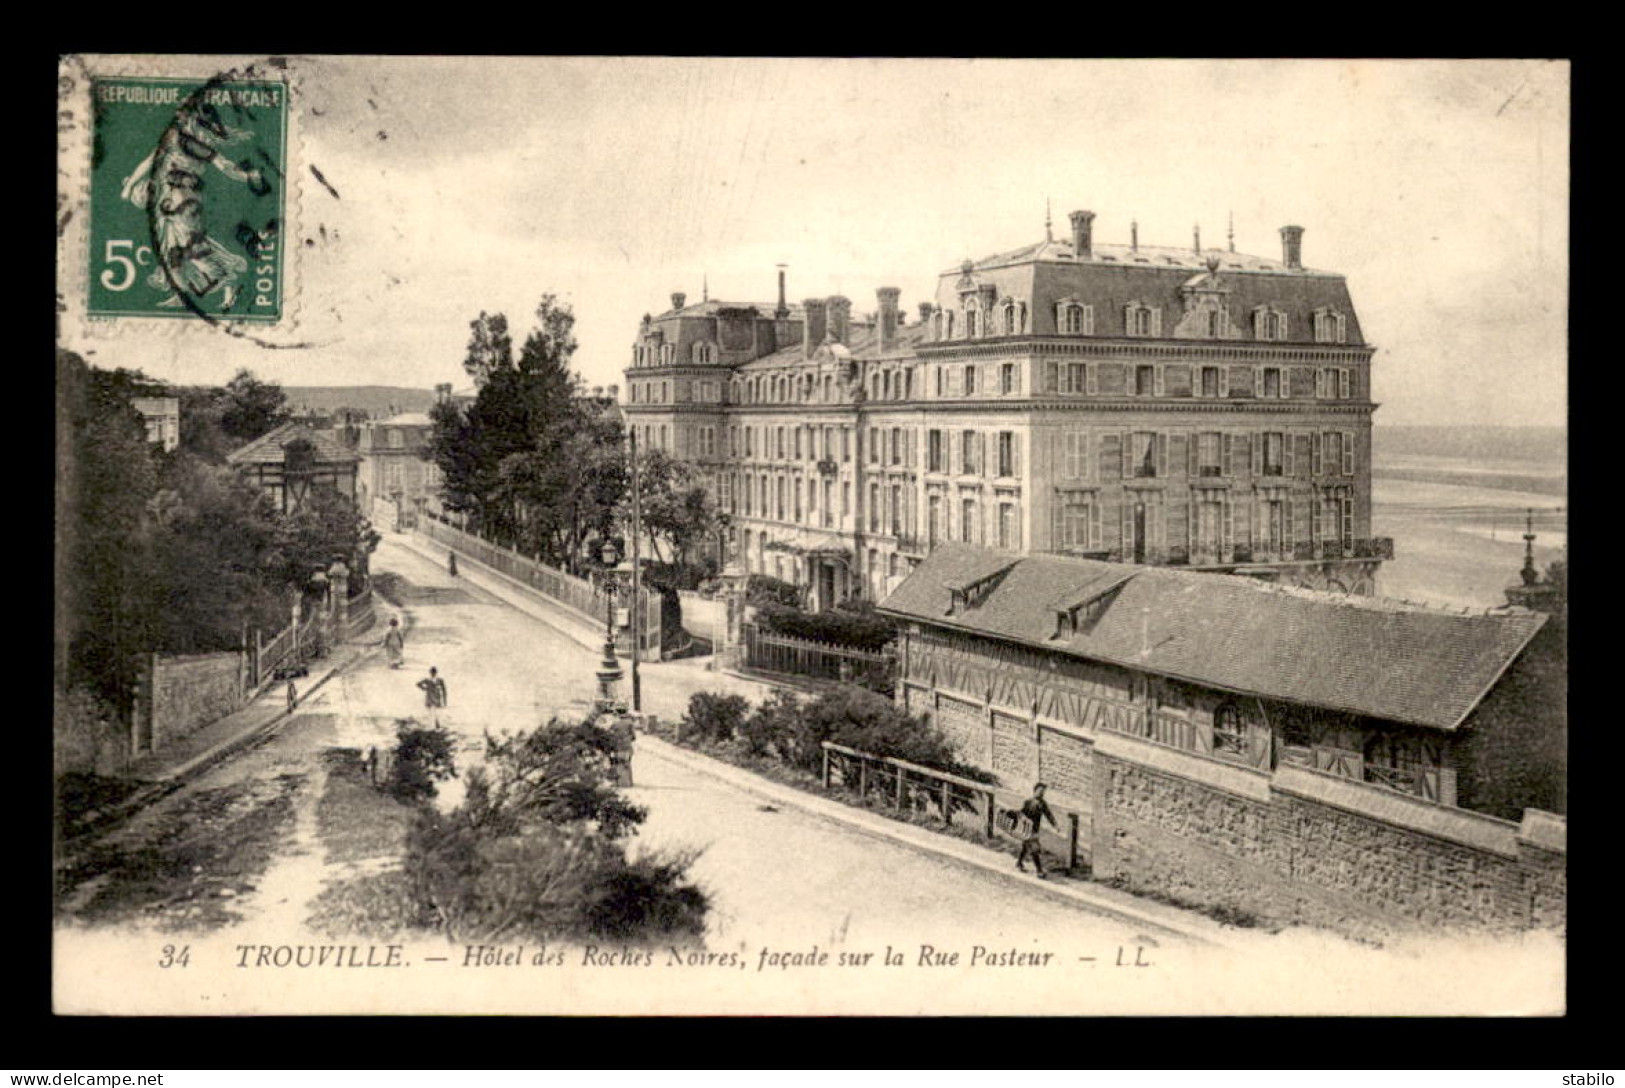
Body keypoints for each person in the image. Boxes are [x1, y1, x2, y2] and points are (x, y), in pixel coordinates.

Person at [1016, 783, 1058, 878]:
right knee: (1034, 848)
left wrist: (1055, 825)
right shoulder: (1028, 802)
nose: (1041, 793)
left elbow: (1048, 815)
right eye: (1040, 791)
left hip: (1035, 829)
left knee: (1026, 847)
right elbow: (1021, 813)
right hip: (1027, 829)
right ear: (1035, 791)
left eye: (1043, 792)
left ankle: (1019, 863)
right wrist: (1024, 819)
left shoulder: (1042, 804)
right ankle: (1039, 871)